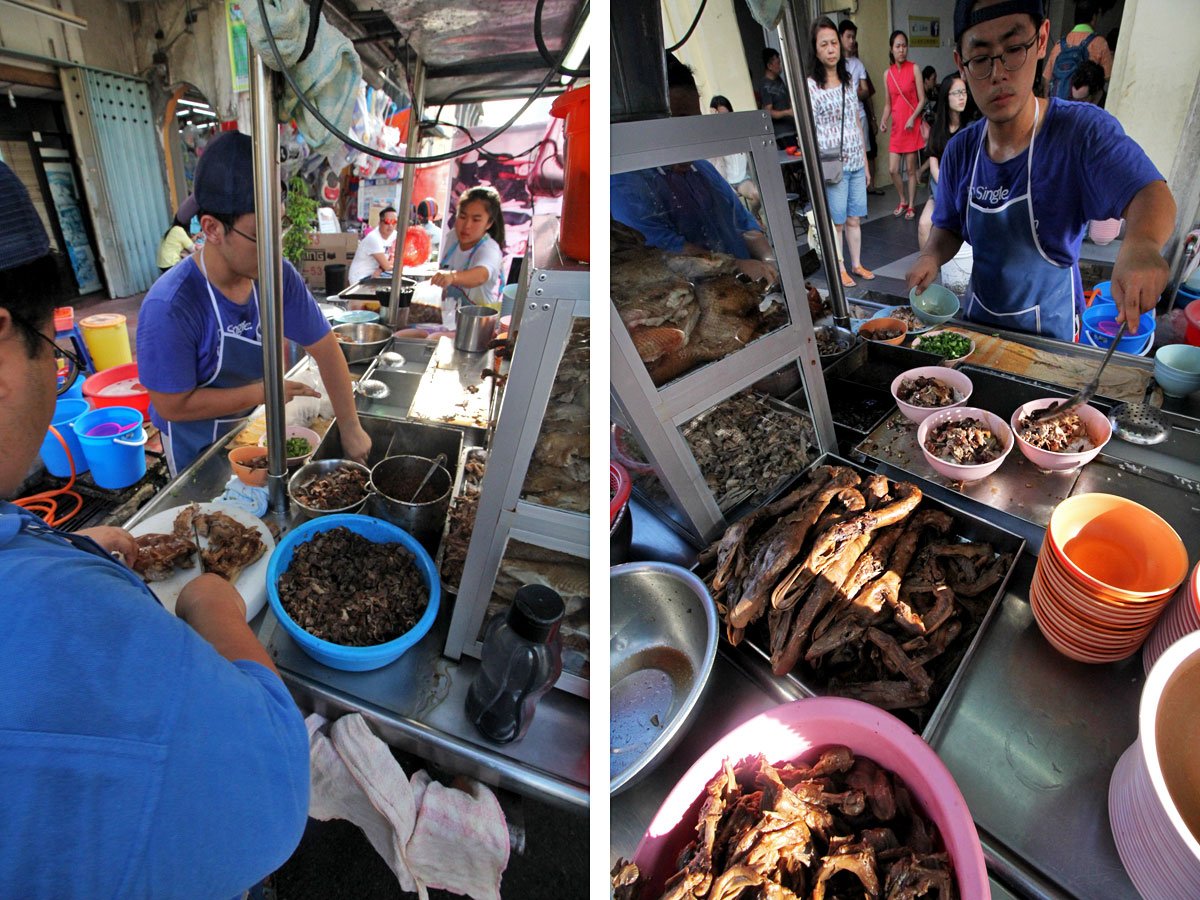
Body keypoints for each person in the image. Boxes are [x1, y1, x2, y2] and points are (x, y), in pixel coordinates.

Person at [0, 161, 309, 897]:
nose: (63, 372)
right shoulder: (174, 300)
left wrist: (71, 546)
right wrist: (211, 605)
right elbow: (268, 787)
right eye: (57, 344)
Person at [907, 0, 1175, 341]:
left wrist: (1143, 244)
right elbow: (947, 225)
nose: (998, 73)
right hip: (978, 331)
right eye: (980, 58)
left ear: (1042, 40)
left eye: (1014, 48)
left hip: (1050, 337)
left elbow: (1150, 192)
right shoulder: (961, 149)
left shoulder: (1080, 133)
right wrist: (931, 256)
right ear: (961, 63)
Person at [137, 131, 372, 476]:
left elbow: (326, 348)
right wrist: (264, 392)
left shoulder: (278, 277)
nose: (274, 248)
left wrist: (351, 428)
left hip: (251, 429)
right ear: (213, 229)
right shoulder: (170, 306)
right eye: (259, 234)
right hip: (197, 449)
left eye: (278, 227)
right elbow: (172, 405)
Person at [610, 55, 779, 285]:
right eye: (679, 121)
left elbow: (743, 222)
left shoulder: (702, 168)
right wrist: (737, 267)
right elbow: (667, 251)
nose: (690, 134)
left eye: (694, 120)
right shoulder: (625, 184)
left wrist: (769, 262)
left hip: (746, 291)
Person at [809, 16, 874, 288]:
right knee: (837, 221)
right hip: (833, 165)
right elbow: (810, 129)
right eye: (824, 44)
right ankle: (839, 267)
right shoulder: (812, 86)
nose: (831, 49)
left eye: (834, 42)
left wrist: (867, 164)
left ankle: (856, 264)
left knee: (854, 217)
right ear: (815, 50)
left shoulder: (848, 81)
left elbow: (857, 122)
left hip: (857, 161)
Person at [918, 73, 978, 248]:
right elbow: (934, 163)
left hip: (965, 191)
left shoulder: (972, 127)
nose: (962, 97)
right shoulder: (937, 128)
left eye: (964, 92)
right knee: (923, 224)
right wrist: (946, 187)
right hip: (942, 190)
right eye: (956, 93)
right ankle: (928, 270)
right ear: (946, 96)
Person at [430, 185, 506, 309]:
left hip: (477, 320)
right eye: (463, 217)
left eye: (476, 220)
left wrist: (452, 277)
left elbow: (481, 276)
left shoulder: (489, 249)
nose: (467, 225)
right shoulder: (453, 237)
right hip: (449, 315)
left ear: (489, 223)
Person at [880, 30, 926, 219]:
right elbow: (888, 104)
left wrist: (912, 117)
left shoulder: (914, 68)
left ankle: (912, 205)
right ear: (891, 49)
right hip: (897, 128)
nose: (902, 50)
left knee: (910, 169)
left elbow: (922, 100)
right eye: (898, 46)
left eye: (904, 45)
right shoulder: (887, 74)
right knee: (892, 169)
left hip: (911, 125)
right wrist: (883, 119)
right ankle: (902, 199)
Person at [840, 20, 885, 196]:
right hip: (842, 120)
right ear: (841, 37)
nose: (851, 41)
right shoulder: (834, 65)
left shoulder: (858, 64)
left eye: (853, 37)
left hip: (860, 116)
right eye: (848, 37)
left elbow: (866, 91)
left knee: (864, 154)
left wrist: (850, 93)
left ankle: (865, 188)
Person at [1042, 0, 1113, 99]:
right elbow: (1108, 80)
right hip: (1082, 111)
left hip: (1058, 108)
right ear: (1094, 17)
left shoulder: (1058, 45)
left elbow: (1046, 81)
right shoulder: (1100, 43)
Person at [708, 95, 763, 219]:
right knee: (731, 207)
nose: (724, 120)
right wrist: (712, 121)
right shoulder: (711, 134)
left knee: (756, 194)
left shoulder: (739, 129)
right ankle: (747, 226)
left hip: (742, 178)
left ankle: (753, 217)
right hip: (724, 181)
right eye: (719, 116)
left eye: (727, 115)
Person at [347, 205, 398, 284]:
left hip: (376, 274)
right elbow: (387, 267)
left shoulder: (394, 235)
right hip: (361, 278)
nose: (391, 226)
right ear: (380, 223)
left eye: (394, 222)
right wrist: (384, 267)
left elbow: (397, 256)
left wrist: (381, 269)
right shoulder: (373, 238)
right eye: (387, 222)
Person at [759, 48, 797, 148]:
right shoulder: (764, 85)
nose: (780, 66)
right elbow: (768, 112)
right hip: (781, 134)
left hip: (792, 129)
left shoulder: (779, 79)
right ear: (769, 66)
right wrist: (788, 112)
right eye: (778, 63)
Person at [156, 196, 197, 273]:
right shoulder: (179, 230)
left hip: (161, 263)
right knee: (191, 262)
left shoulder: (172, 229)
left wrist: (196, 237)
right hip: (169, 264)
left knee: (185, 254)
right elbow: (193, 249)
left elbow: (182, 243)